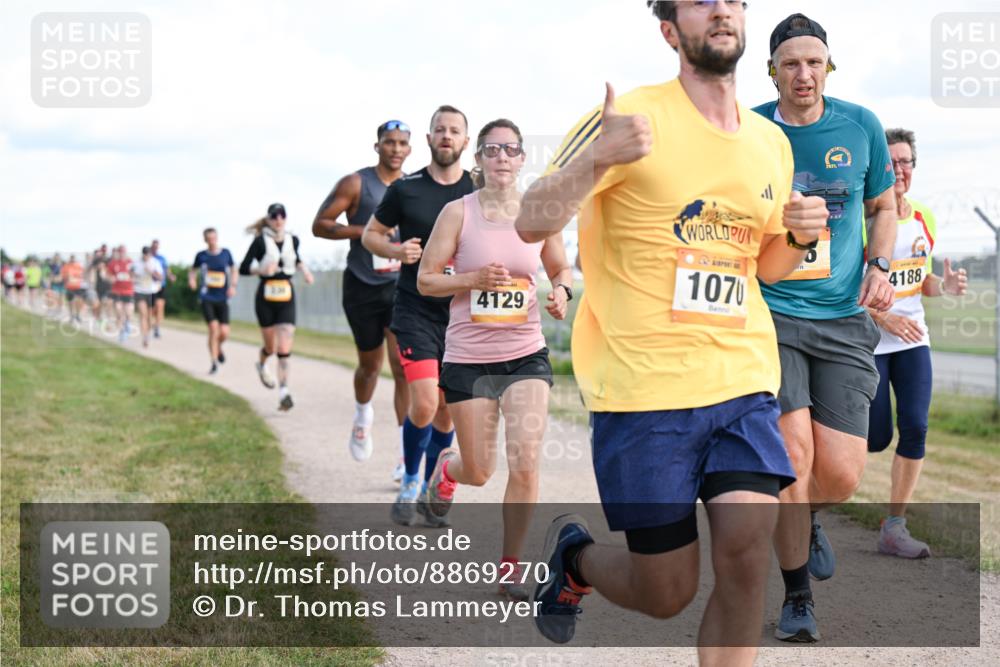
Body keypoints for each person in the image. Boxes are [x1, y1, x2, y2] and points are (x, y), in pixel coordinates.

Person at [515, 2, 827, 663]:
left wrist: (801, 235)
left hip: (742, 377)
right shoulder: (629, 115)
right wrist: (596, 158)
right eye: (698, 0)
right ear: (668, 30)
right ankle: (576, 558)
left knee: (745, 555)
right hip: (642, 389)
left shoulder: (769, 142)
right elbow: (530, 221)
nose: (719, 7)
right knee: (666, 590)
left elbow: (765, 264)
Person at [752, 13, 898, 642]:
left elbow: (882, 206)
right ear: (773, 71)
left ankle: (807, 515)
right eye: (790, 63)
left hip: (843, 319)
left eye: (814, 62)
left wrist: (880, 263)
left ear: (827, 67)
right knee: (792, 456)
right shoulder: (750, 130)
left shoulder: (860, 125)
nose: (803, 73)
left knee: (839, 473)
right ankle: (797, 598)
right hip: (771, 312)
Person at [418, 118, 573, 600]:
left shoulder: (539, 212)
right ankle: (448, 469)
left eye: (510, 150)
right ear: (479, 161)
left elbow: (560, 266)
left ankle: (510, 566)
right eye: (492, 150)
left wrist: (562, 291)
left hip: (526, 354)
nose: (502, 157)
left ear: (523, 159)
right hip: (468, 359)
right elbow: (426, 280)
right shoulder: (457, 213)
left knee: (525, 461)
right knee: (480, 470)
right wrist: (470, 280)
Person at [363, 105, 475, 527]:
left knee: (446, 409)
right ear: (428, 140)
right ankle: (410, 479)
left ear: (466, 141)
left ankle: (431, 488)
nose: (446, 136)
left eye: (455, 131)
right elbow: (371, 234)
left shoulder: (478, 192)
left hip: (462, 316)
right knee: (425, 402)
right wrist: (395, 250)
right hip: (414, 309)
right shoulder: (406, 190)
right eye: (439, 130)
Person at [867, 128, 968, 558]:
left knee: (916, 427)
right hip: (868, 343)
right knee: (870, 439)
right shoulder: (864, 218)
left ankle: (894, 527)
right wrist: (882, 316)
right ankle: (807, 514)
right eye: (890, 162)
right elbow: (843, 287)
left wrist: (942, 286)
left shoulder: (924, 215)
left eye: (906, 161)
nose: (899, 169)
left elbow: (918, 279)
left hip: (912, 340)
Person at [313, 120, 412, 472]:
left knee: (403, 367)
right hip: (361, 286)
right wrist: (368, 232)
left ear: (410, 149)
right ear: (378, 147)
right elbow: (320, 224)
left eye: (402, 143)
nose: (396, 149)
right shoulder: (356, 183)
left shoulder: (415, 186)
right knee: (370, 368)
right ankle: (362, 414)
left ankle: (406, 455)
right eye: (389, 142)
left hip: (400, 287)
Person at [239, 203, 315, 411]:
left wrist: (305, 271)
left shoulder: (293, 239)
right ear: (269, 219)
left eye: (282, 215)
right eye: (274, 216)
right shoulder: (259, 241)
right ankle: (262, 363)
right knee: (270, 347)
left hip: (286, 295)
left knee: (284, 347)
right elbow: (244, 268)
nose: (278, 219)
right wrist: (261, 269)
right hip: (265, 297)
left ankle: (284, 392)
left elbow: (297, 259)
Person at [190, 228, 238, 374]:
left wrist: (233, 285)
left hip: (222, 297)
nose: (212, 241)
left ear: (217, 238)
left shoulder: (226, 253)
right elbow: (192, 270)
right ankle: (214, 362)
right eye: (209, 239)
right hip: (207, 297)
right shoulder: (201, 255)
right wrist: (192, 280)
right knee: (213, 328)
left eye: (214, 238)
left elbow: (234, 269)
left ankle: (218, 347)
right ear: (205, 240)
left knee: (224, 332)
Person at [133, 246, 163, 348]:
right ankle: (144, 337)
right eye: (144, 254)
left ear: (150, 254)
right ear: (142, 254)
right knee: (143, 314)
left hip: (151, 291)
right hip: (139, 290)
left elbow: (160, 277)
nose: (146, 256)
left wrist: (151, 271)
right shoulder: (136, 263)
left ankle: (148, 333)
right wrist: (134, 277)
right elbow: (130, 274)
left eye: (148, 254)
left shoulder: (155, 262)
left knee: (149, 316)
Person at [107, 246, 136, 343]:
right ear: (118, 253)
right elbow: (108, 275)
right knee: (119, 311)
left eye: (123, 252)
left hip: (128, 291)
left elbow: (136, 274)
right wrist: (111, 278)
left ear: (126, 252)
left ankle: (127, 324)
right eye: (120, 252)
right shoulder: (113, 264)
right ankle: (122, 332)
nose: (122, 254)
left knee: (128, 312)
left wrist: (133, 278)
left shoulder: (131, 263)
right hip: (117, 291)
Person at [150, 239, 175, 339]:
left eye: (157, 246)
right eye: (154, 246)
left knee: (160, 307)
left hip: (161, 286)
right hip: (149, 287)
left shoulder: (162, 258)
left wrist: (171, 276)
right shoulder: (148, 258)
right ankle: (150, 324)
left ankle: (157, 328)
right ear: (151, 247)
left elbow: (167, 270)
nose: (155, 248)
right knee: (152, 309)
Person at [60, 254, 86, 323]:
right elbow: (63, 276)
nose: (72, 260)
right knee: (70, 302)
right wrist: (66, 278)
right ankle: (71, 316)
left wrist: (79, 278)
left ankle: (77, 315)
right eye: (71, 258)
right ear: (69, 259)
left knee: (79, 300)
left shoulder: (79, 266)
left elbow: (82, 275)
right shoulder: (66, 266)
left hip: (78, 286)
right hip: (69, 286)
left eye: (73, 258)